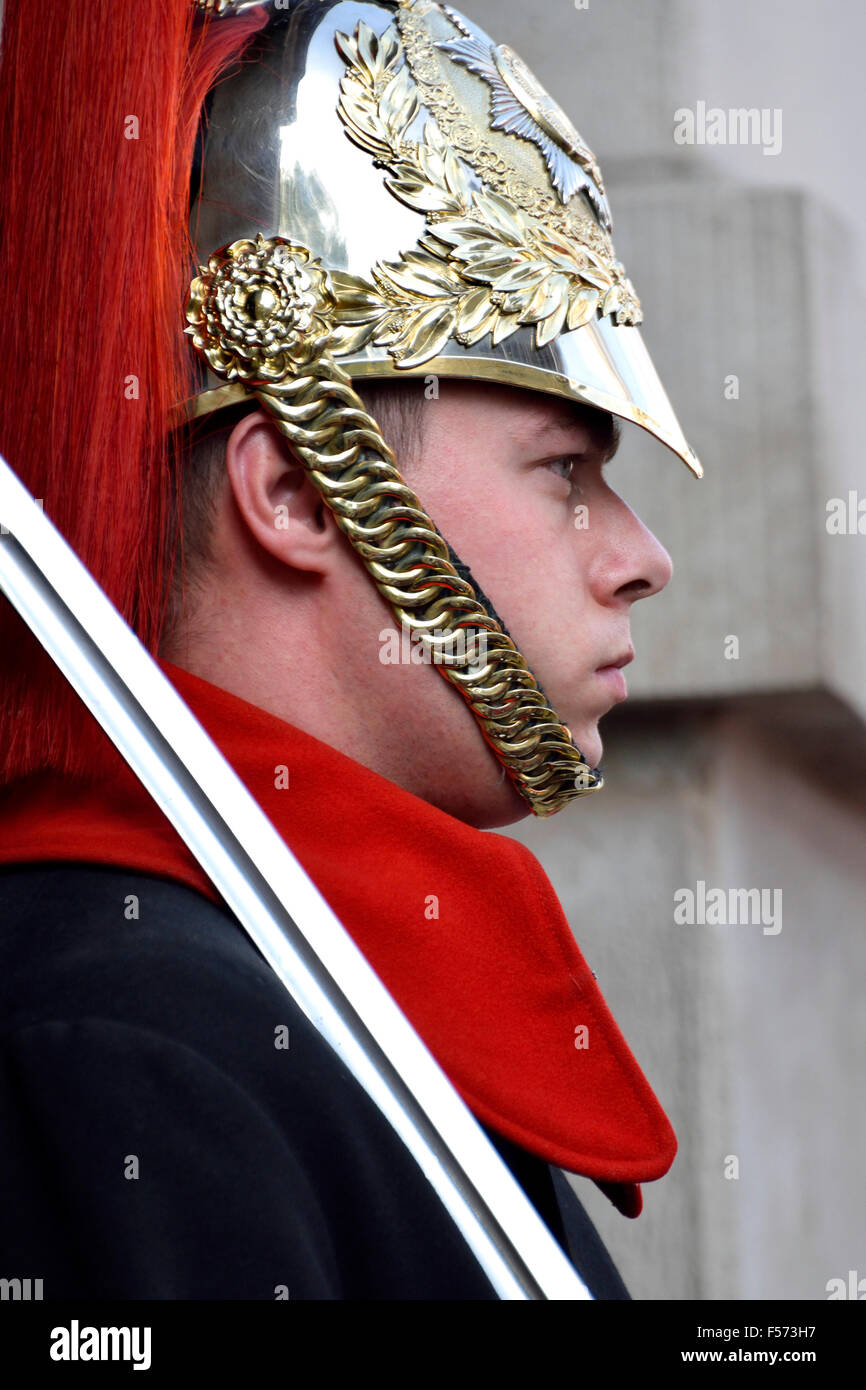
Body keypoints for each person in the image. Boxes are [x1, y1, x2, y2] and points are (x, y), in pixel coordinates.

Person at [0, 0, 701, 1300]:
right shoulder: (122, 1042)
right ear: (302, 497)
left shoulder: (339, 997)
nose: (639, 553)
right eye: (563, 471)